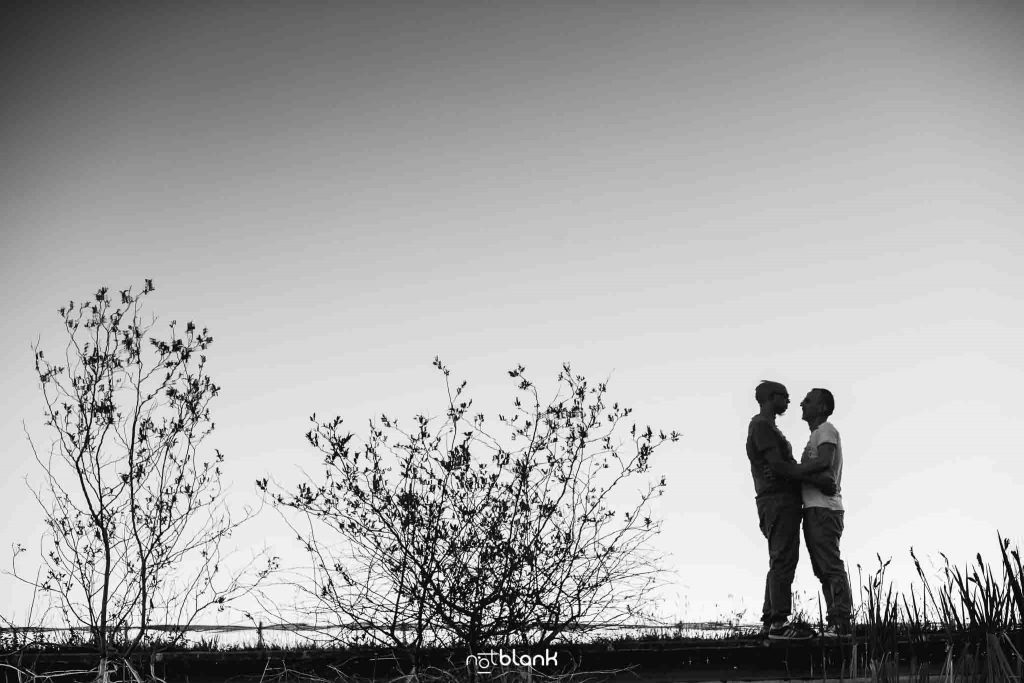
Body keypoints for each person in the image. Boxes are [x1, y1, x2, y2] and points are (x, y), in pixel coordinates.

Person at [746, 380, 835, 640]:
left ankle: (771, 620)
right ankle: (778, 624)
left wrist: (788, 470)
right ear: (770, 398)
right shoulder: (762, 426)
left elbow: (781, 466)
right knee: (783, 559)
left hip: (780, 500)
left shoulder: (768, 427)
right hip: (777, 501)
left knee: (780, 559)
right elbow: (778, 466)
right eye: (784, 397)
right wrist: (817, 477)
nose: (789, 402)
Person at [799, 387, 853, 638]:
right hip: (815, 509)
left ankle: (841, 623)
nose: (802, 403)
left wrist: (789, 470)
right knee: (823, 569)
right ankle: (836, 622)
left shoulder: (826, 430)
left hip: (825, 509)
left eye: (808, 400)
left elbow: (824, 463)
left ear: (821, 408)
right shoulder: (816, 435)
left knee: (830, 566)